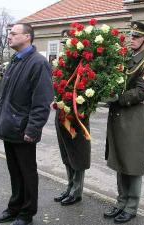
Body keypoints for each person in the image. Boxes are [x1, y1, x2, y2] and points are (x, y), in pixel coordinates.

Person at [0, 23, 53, 225]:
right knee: (15, 172)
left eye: (13, 33)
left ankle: (26, 214)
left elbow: (42, 101)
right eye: (9, 33)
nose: (9, 37)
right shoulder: (15, 61)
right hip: (9, 127)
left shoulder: (38, 63)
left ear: (27, 37)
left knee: (27, 173)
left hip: (23, 130)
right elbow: (5, 97)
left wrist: (33, 129)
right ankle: (14, 208)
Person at [104, 21, 144, 224]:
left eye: (136, 37)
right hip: (118, 115)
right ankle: (120, 202)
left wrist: (118, 97)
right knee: (120, 159)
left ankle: (131, 205)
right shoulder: (125, 58)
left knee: (132, 161)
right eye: (131, 36)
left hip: (133, 115)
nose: (131, 39)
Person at [53, 31, 91, 206]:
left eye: (68, 43)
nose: (65, 47)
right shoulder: (63, 66)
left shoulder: (84, 66)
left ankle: (76, 191)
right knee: (66, 155)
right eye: (64, 44)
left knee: (78, 155)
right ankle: (69, 186)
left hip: (77, 117)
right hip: (61, 116)